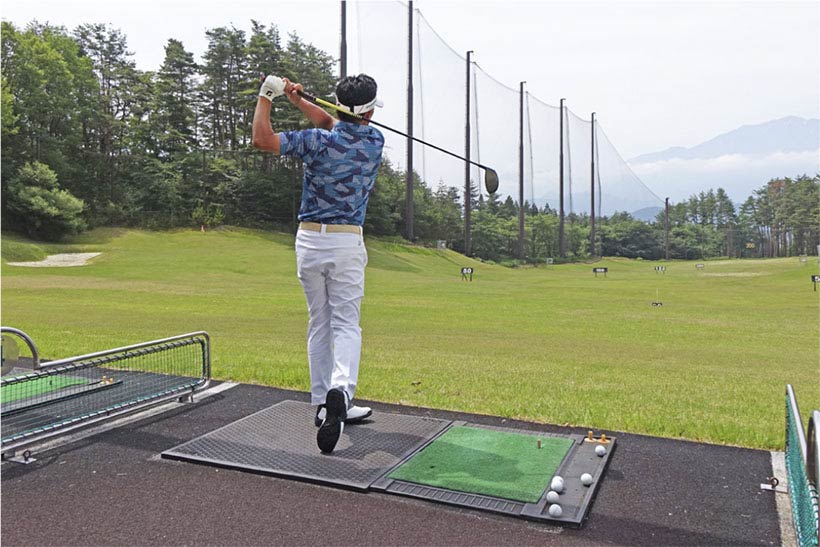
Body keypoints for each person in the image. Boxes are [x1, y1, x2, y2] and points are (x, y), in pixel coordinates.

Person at [252, 73, 384, 454]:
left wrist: (268, 96)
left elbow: (263, 139)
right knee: (346, 323)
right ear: (369, 112)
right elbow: (334, 123)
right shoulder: (374, 141)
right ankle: (340, 392)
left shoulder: (315, 141)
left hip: (309, 242)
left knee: (319, 321)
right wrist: (298, 101)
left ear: (339, 106)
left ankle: (324, 403)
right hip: (346, 243)